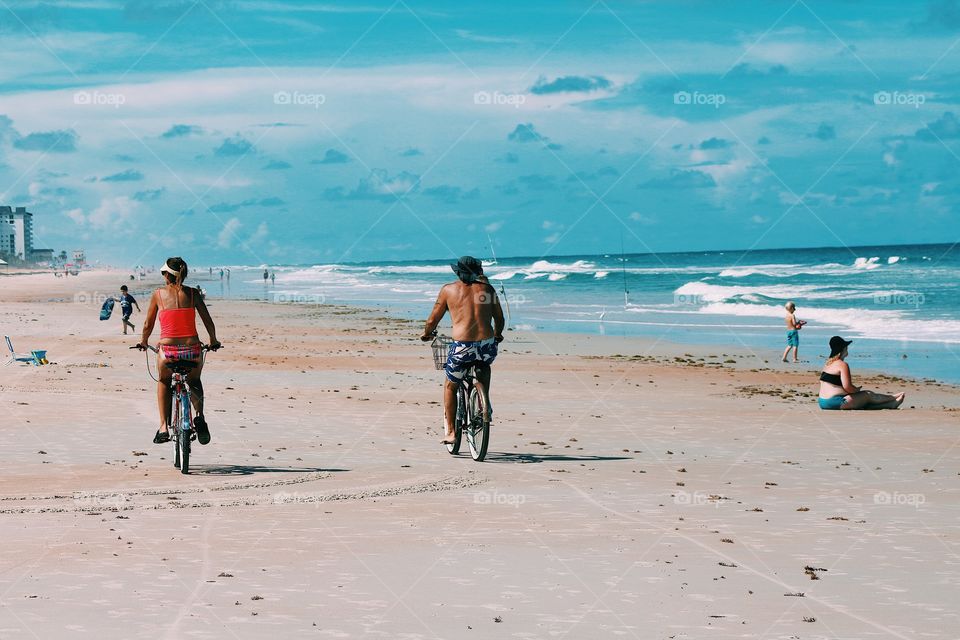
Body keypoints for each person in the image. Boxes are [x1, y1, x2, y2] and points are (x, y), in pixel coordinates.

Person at [136, 257, 222, 444]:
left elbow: (148, 324)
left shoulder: (158, 294)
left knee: (164, 381)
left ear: (167, 275)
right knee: (194, 381)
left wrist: (143, 341)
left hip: (168, 352)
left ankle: (163, 427)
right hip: (192, 350)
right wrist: (213, 340)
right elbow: (208, 320)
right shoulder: (193, 293)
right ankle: (199, 416)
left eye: (163, 273)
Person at [420, 256, 505, 444]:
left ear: (458, 272)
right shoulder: (487, 289)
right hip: (486, 345)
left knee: (450, 386)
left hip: (463, 347)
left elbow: (432, 320)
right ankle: (484, 404)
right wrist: (497, 334)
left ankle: (451, 432)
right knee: (484, 366)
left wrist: (427, 334)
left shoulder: (448, 290)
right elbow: (499, 318)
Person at [818, 336, 905, 410]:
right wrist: (856, 390)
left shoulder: (827, 364)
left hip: (822, 402)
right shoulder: (842, 365)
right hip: (836, 402)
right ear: (843, 348)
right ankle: (892, 397)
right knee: (867, 395)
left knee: (862, 402)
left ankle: (891, 404)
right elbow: (847, 387)